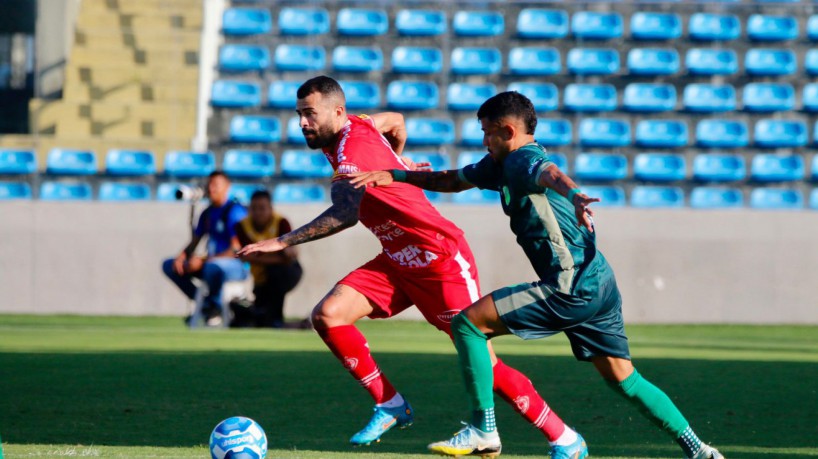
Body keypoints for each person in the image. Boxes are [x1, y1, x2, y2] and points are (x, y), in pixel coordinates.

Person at [349, 91, 725, 459]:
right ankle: (699, 450)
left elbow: (549, 173)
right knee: (625, 379)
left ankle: (484, 429)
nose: (484, 141)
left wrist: (574, 193)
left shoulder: (522, 159)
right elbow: (452, 180)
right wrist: (396, 175)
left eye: (488, 133)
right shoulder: (499, 165)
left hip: (570, 284)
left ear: (508, 132)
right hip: (598, 280)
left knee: (468, 325)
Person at [237, 76, 584, 453]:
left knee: (486, 366)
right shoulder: (360, 124)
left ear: (338, 112)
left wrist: (281, 240)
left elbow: (345, 214)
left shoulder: (350, 153)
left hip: (440, 259)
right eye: (299, 114)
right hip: (398, 259)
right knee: (329, 315)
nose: (303, 123)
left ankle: (564, 437)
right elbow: (397, 120)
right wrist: (397, 160)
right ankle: (390, 404)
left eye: (310, 114)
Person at [162, 171, 248, 325]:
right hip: (210, 264)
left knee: (212, 266)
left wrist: (203, 261)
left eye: (215, 185)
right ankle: (207, 305)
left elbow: (237, 249)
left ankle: (215, 308)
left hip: (235, 265)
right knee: (170, 266)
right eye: (209, 184)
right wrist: (181, 257)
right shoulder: (207, 213)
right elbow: (194, 242)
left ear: (227, 187)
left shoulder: (234, 211)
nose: (211, 189)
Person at [231, 189, 304, 328]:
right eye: (254, 208)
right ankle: (295, 324)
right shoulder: (242, 226)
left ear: (271, 208)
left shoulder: (281, 222)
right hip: (260, 279)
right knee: (261, 319)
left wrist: (256, 257)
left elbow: (291, 255)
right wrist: (279, 257)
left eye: (262, 208)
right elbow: (245, 255)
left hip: (286, 272)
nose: (258, 212)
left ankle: (277, 319)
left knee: (278, 273)